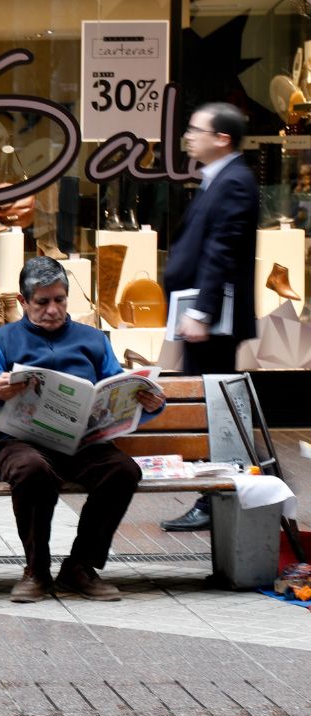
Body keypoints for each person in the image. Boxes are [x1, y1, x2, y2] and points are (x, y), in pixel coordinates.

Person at [0, 257, 166, 603]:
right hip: (22, 443)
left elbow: (117, 392)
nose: (53, 310)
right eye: (42, 302)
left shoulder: (93, 340)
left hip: (81, 442)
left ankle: (80, 567)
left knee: (123, 471)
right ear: (23, 302)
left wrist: (148, 404)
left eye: (60, 299)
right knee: (33, 470)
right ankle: (37, 570)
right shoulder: (2, 342)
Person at [160, 102, 259, 533]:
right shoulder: (217, 178)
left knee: (215, 410)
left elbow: (222, 250)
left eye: (196, 130)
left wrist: (201, 312)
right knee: (211, 405)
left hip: (213, 322)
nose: (188, 136)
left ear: (222, 138)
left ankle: (219, 493)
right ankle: (225, 488)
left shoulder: (234, 181)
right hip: (204, 318)